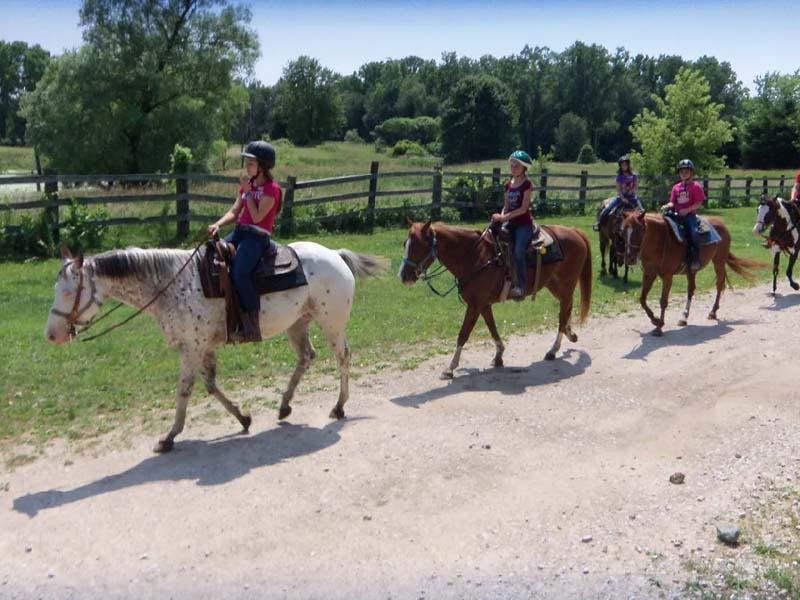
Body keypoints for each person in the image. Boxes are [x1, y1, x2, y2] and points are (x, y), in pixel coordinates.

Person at [208, 141, 282, 342]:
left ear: (263, 166)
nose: (247, 167)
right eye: (247, 163)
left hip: (257, 237)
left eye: (251, 163)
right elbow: (235, 211)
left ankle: (252, 325)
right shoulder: (246, 187)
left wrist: (248, 192)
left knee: (240, 272)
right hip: (240, 232)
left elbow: (257, 216)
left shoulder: (272, 189)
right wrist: (218, 224)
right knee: (211, 252)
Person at [491, 150, 535, 297]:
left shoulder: (527, 184)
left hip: (524, 224)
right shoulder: (508, 185)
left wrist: (505, 218)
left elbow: (524, 208)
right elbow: (506, 206)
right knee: (492, 238)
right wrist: (500, 216)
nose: (513, 168)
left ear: (524, 168)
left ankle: (521, 286)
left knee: (518, 251)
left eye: (516, 166)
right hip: (510, 222)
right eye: (512, 165)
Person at [661, 159, 705, 270]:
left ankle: (695, 259)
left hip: (689, 216)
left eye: (686, 171)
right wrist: (667, 206)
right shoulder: (676, 187)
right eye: (681, 172)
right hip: (676, 215)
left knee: (694, 233)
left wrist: (687, 210)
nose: (684, 174)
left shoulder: (696, 186)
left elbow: (698, 203)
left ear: (691, 173)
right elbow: (673, 202)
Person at [593, 155, 644, 231]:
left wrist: (632, 191)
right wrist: (623, 198)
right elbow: (618, 189)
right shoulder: (619, 176)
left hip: (632, 198)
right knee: (607, 209)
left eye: (625, 165)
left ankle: (644, 227)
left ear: (628, 165)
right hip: (621, 197)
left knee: (642, 211)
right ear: (620, 166)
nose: (624, 166)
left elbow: (636, 185)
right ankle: (599, 223)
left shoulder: (634, 175)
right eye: (622, 165)